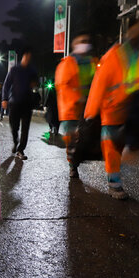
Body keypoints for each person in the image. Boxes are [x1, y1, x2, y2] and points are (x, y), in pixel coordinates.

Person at [84, 17, 139, 199]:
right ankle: (114, 183)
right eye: (138, 28)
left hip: (133, 108)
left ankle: (119, 172)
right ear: (129, 31)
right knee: (112, 147)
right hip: (113, 108)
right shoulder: (113, 55)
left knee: (131, 144)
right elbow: (99, 83)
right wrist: (91, 112)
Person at [55, 32, 97, 178]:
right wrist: (79, 97)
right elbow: (62, 86)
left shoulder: (92, 62)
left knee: (85, 138)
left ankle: (78, 160)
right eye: (82, 41)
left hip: (87, 108)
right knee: (71, 140)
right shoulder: (67, 63)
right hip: (71, 109)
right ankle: (73, 165)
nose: (85, 43)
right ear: (74, 44)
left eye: (87, 40)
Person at [1, 48, 38, 160]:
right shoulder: (14, 70)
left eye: (29, 57)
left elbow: (36, 83)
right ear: (22, 57)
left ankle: (20, 150)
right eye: (26, 56)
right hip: (14, 103)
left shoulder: (32, 70)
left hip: (27, 103)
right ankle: (15, 140)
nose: (27, 59)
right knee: (14, 126)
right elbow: (6, 85)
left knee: (25, 128)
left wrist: (35, 83)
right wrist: (4, 99)